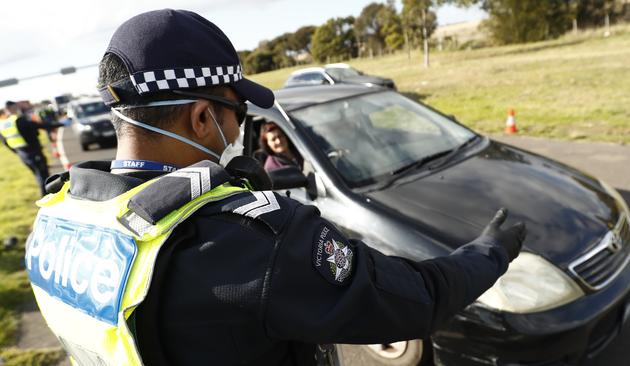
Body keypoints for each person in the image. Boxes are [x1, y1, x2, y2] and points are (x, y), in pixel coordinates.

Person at [24, 9, 527, 366]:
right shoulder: (258, 242)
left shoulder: (57, 216)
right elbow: (415, 300)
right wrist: (490, 253)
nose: (241, 131)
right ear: (203, 117)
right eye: (237, 115)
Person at [0, 101, 62, 196]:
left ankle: (48, 195)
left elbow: (5, 142)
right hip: (33, 152)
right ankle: (46, 196)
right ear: (13, 108)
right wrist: (60, 124)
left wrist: (16, 151)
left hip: (22, 154)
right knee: (42, 175)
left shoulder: (3, 124)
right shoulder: (19, 120)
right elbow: (40, 126)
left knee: (37, 175)